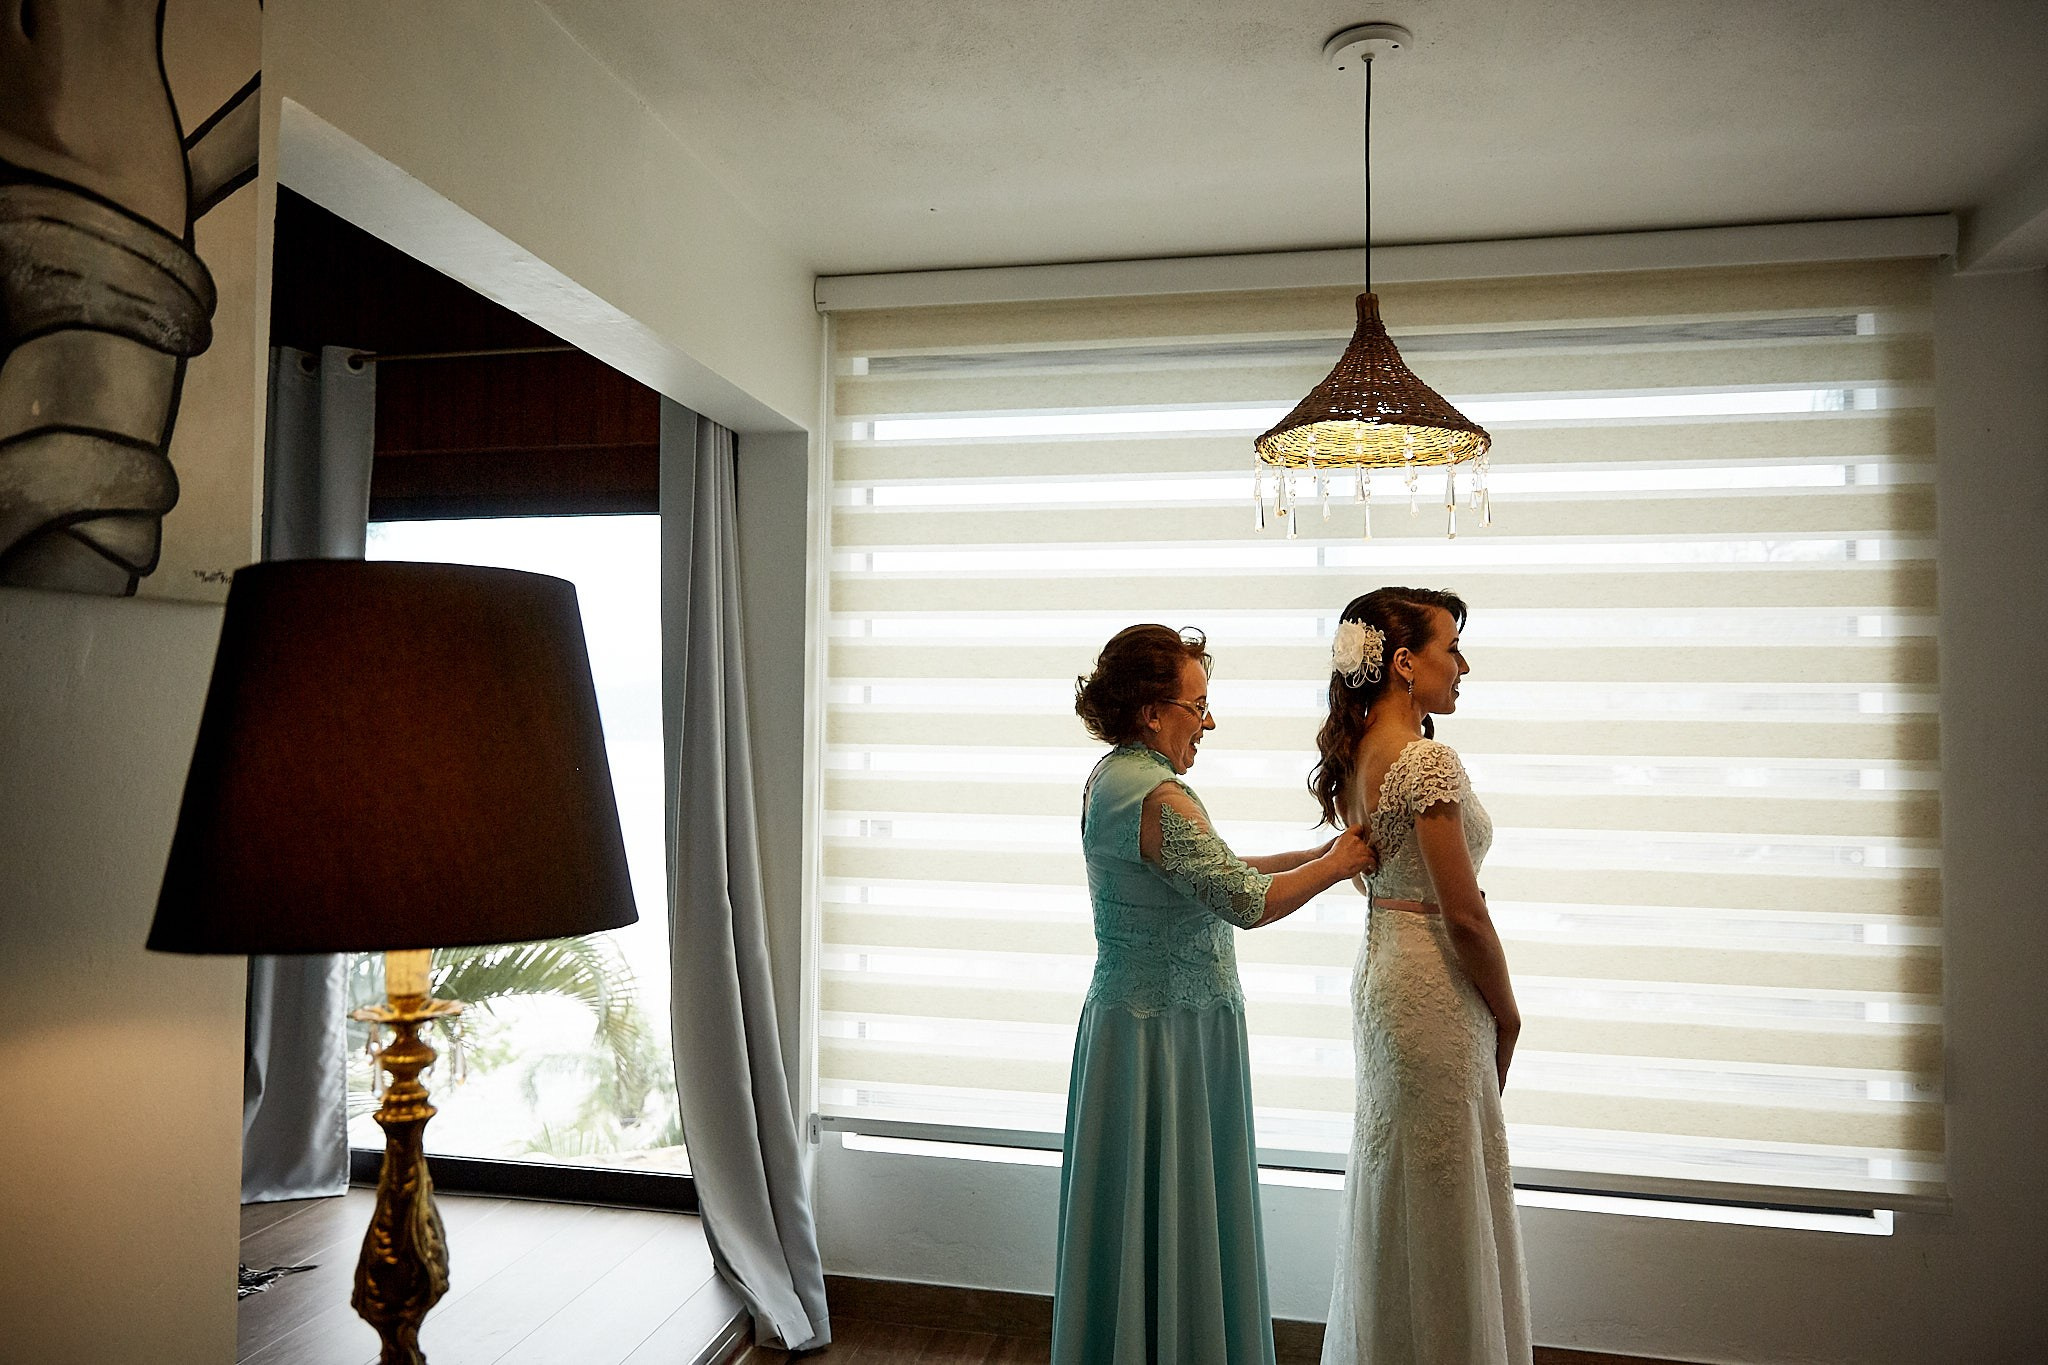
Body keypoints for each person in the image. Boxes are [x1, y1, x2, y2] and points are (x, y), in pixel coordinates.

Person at [1053, 624, 1376, 1365]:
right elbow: (1243, 900)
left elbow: (1216, 870)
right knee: (1179, 1216)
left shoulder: (1112, 778)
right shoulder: (1160, 795)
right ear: (1150, 710)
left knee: (1133, 1220)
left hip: (1125, 1029)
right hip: (1169, 1039)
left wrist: (1319, 854)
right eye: (1198, 704)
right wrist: (1341, 862)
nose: (1209, 720)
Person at [1311, 588, 1531, 1365]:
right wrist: (1509, 1014)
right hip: (1433, 983)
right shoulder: (1424, 758)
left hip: (1385, 974)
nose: (1463, 665)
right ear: (1404, 662)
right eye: (1451, 648)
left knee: (1400, 1186)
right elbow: (1464, 914)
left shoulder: (1361, 750)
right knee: (1442, 1198)